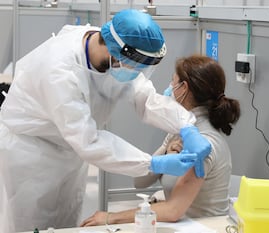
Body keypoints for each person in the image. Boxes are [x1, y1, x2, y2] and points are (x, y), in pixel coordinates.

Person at [0, 9, 211, 232]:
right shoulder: (59, 72)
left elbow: (145, 98)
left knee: (66, 223)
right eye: (134, 66)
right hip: (31, 153)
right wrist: (151, 163)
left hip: (70, 151)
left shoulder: (113, 51)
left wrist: (187, 126)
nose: (136, 73)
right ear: (115, 53)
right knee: (30, 224)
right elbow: (89, 141)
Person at [80, 54, 241, 226]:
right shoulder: (181, 131)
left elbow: (173, 210)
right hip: (181, 225)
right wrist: (164, 152)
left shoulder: (203, 143)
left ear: (183, 88)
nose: (169, 87)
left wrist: (110, 217)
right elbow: (140, 182)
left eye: (173, 82)